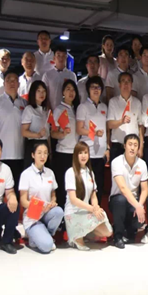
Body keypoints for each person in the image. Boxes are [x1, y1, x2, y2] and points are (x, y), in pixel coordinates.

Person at [64, 142, 112, 250]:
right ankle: (76, 237)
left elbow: (93, 195)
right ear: (76, 155)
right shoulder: (70, 172)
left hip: (86, 210)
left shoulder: (90, 172)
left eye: (85, 152)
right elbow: (73, 199)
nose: (83, 155)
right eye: (80, 153)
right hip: (73, 212)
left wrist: (96, 207)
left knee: (107, 230)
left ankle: (84, 233)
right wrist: (92, 209)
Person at [18, 141, 63, 253]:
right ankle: (34, 235)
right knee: (47, 247)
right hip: (32, 217)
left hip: (47, 213)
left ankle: (46, 234)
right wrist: (39, 207)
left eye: (45, 153)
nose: (43, 156)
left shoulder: (50, 173)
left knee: (58, 211)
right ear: (33, 155)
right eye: (39, 153)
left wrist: (53, 202)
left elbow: (53, 194)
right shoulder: (26, 174)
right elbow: (23, 201)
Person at [0, 70, 27, 199]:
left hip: (20, 154)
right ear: (4, 83)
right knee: (1, 190)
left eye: (14, 80)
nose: (12, 83)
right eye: (8, 80)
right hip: (3, 154)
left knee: (17, 190)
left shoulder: (24, 103)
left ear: (19, 83)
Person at [110, 134, 148, 249]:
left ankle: (129, 231)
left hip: (134, 200)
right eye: (130, 144)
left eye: (135, 145)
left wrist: (140, 205)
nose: (132, 148)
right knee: (121, 200)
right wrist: (137, 206)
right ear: (124, 146)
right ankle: (117, 236)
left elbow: (145, 189)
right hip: (117, 199)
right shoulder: (116, 162)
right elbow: (123, 188)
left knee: (138, 222)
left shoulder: (142, 164)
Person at [76, 76, 109, 205]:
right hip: (87, 152)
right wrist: (93, 133)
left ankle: (96, 212)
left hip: (100, 153)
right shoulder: (82, 107)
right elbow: (79, 129)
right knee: (86, 186)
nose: (96, 90)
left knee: (99, 185)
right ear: (88, 90)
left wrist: (108, 147)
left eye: (98, 87)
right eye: (93, 87)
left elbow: (107, 129)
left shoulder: (104, 107)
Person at [51, 80, 80, 208]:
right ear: (63, 92)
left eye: (73, 89)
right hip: (63, 153)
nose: (71, 92)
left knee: (74, 186)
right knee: (63, 186)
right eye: (68, 89)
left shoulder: (76, 109)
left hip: (75, 153)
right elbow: (53, 133)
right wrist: (62, 134)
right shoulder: (59, 109)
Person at [107, 72, 143, 163]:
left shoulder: (137, 103)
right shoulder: (113, 102)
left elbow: (141, 126)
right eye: (123, 81)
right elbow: (109, 124)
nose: (126, 84)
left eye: (128, 81)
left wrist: (141, 147)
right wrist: (121, 121)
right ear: (119, 85)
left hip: (133, 146)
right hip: (117, 145)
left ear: (132, 85)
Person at [21, 80, 51, 169]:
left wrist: (49, 149)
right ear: (33, 93)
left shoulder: (46, 110)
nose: (42, 94)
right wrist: (37, 135)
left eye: (44, 91)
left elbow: (47, 133)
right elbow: (24, 132)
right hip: (33, 144)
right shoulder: (29, 109)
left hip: (45, 144)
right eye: (38, 91)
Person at [42, 46, 77, 111]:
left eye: (63, 56)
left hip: (67, 111)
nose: (61, 58)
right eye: (58, 55)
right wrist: (49, 110)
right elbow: (45, 95)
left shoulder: (71, 75)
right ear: (54, 58)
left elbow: (74, 94)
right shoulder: (47, 75)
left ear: (66, 58)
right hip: (51, 110)